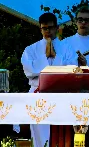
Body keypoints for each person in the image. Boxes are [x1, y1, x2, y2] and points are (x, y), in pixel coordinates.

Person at [21, 12, 75, 147]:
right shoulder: (31, 49)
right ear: (40, 29)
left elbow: (72, 69)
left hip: (61, 94)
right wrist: (45, 58)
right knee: (40, 133)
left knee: (62, 133)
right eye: (44, 28)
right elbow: (29, 71)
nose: (48, 31)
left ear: (57, 28)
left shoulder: (67, 47)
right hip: (39, 95)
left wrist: (55, 57)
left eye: (50, 28)